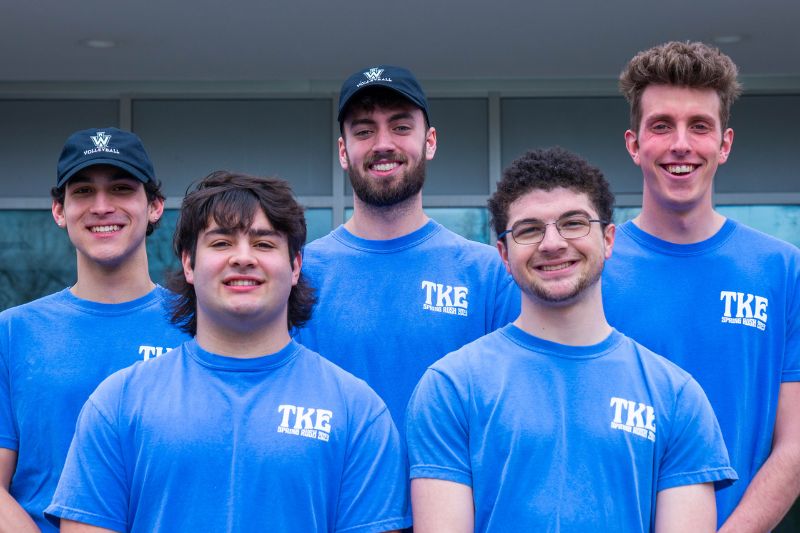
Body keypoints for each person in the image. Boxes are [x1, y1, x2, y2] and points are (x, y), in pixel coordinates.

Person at [45, 171, 410, 532]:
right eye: (221, 243)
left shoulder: (357, 411)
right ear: (188, 263)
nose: (243, 258)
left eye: (264, 244)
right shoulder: (118, 403)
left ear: (296, 265)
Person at [406, 147, 736, 532]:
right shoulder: (451, 388)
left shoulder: (676, 396)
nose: (552, 243)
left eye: (573, 223)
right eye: (529, 229)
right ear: (503, 254)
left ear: (609, 239)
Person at [602, 41, 800, 531]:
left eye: (700, 126)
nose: (681, 144)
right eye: (662, 126)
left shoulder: (781, 270)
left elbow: (796, 442)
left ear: (725, 144)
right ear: (633, 144)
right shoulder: (592, 267)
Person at [295, 65, 519, 431]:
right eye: (364, 131)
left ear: (429, 141)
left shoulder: (488, 275)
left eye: (400, 127)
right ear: (343, 150)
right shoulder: (300, 275)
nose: (383, 144)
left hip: (456, 489)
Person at [0, 127, 188, 532]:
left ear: (154, 206)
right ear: (59, 210)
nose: (102, 206)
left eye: (121, 188)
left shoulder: (198, 325)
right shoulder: (12, 332)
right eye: (83, 191)